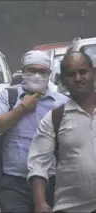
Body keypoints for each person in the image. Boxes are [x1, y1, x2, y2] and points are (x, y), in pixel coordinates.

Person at [0, 50, 69, 213]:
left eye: (42, 71)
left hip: (50, 182)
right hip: (14, 182)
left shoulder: (61, 103)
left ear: (49, 74)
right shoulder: (9, 96)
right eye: (32, 70)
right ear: (23, 72)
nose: (37, 75)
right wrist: (22, 108)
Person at [28, 51, 96, 213]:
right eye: (71, 74)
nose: (78, 78)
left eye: (83, 72)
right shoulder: (55, 118)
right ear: (63, 80)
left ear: (94, 73)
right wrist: (40, 203)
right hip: (71, 207)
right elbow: (38, 163)